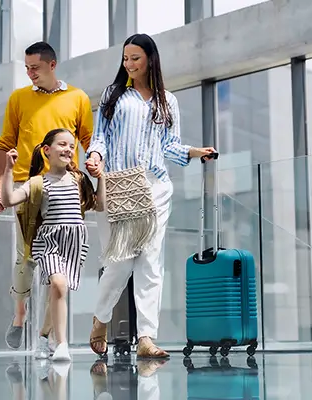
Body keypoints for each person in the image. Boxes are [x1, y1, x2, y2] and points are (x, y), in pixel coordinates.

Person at [85, 33, 216, 359]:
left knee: (151, 264)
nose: (128, 64)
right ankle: (101, 317)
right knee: (119, 263)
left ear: (150, 61)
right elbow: (100, 137)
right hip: (120, 186)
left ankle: (146, 337)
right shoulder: (113, 95)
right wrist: (95, 158)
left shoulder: (166, 101)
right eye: (125, 59)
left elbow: (169, 145)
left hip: (156, 187)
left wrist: (195, 151)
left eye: (135, 59)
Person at [0, 41, 94, 350]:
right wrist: (0, 185)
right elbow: (5, 142)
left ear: (52, 65)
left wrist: (96, 168)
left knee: (61, 269)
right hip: (29, 186)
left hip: (68, 186)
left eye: (34, 67)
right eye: (26, 68)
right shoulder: (18, 98)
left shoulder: (78, 98)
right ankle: (20, 315)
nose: (30, 73)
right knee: (25, 258)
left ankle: (48, 333)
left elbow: (90, 141)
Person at [0, 128, 104, 361]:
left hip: (74, 242)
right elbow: (8, 200)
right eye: (62, 144)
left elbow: (99, 206)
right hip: (49, 241)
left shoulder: (79, 180)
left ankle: (44, 337)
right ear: (47, 150)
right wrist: (8, 170)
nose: (68, 149)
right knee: (57, 284)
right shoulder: (38, 182)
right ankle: (62, 344)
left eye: (71, 145)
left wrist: (102, 178)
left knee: (58, 291)